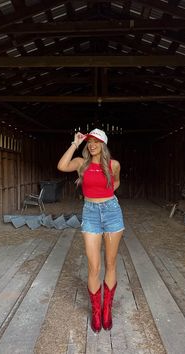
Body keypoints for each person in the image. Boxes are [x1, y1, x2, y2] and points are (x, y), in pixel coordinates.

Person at [57, 128, 124, 333]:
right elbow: (61, 166)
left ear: (103, 144)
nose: (92, 145)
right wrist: (75, 143)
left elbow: (116, 181)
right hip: (90, 214)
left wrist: (106, 197)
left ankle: (107, 310)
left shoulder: (113, 165)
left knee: (110, 264)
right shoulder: (81, 164)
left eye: (96, 142)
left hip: (112, 212)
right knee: (93, 266)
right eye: (89, 142)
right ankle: (96, 311)